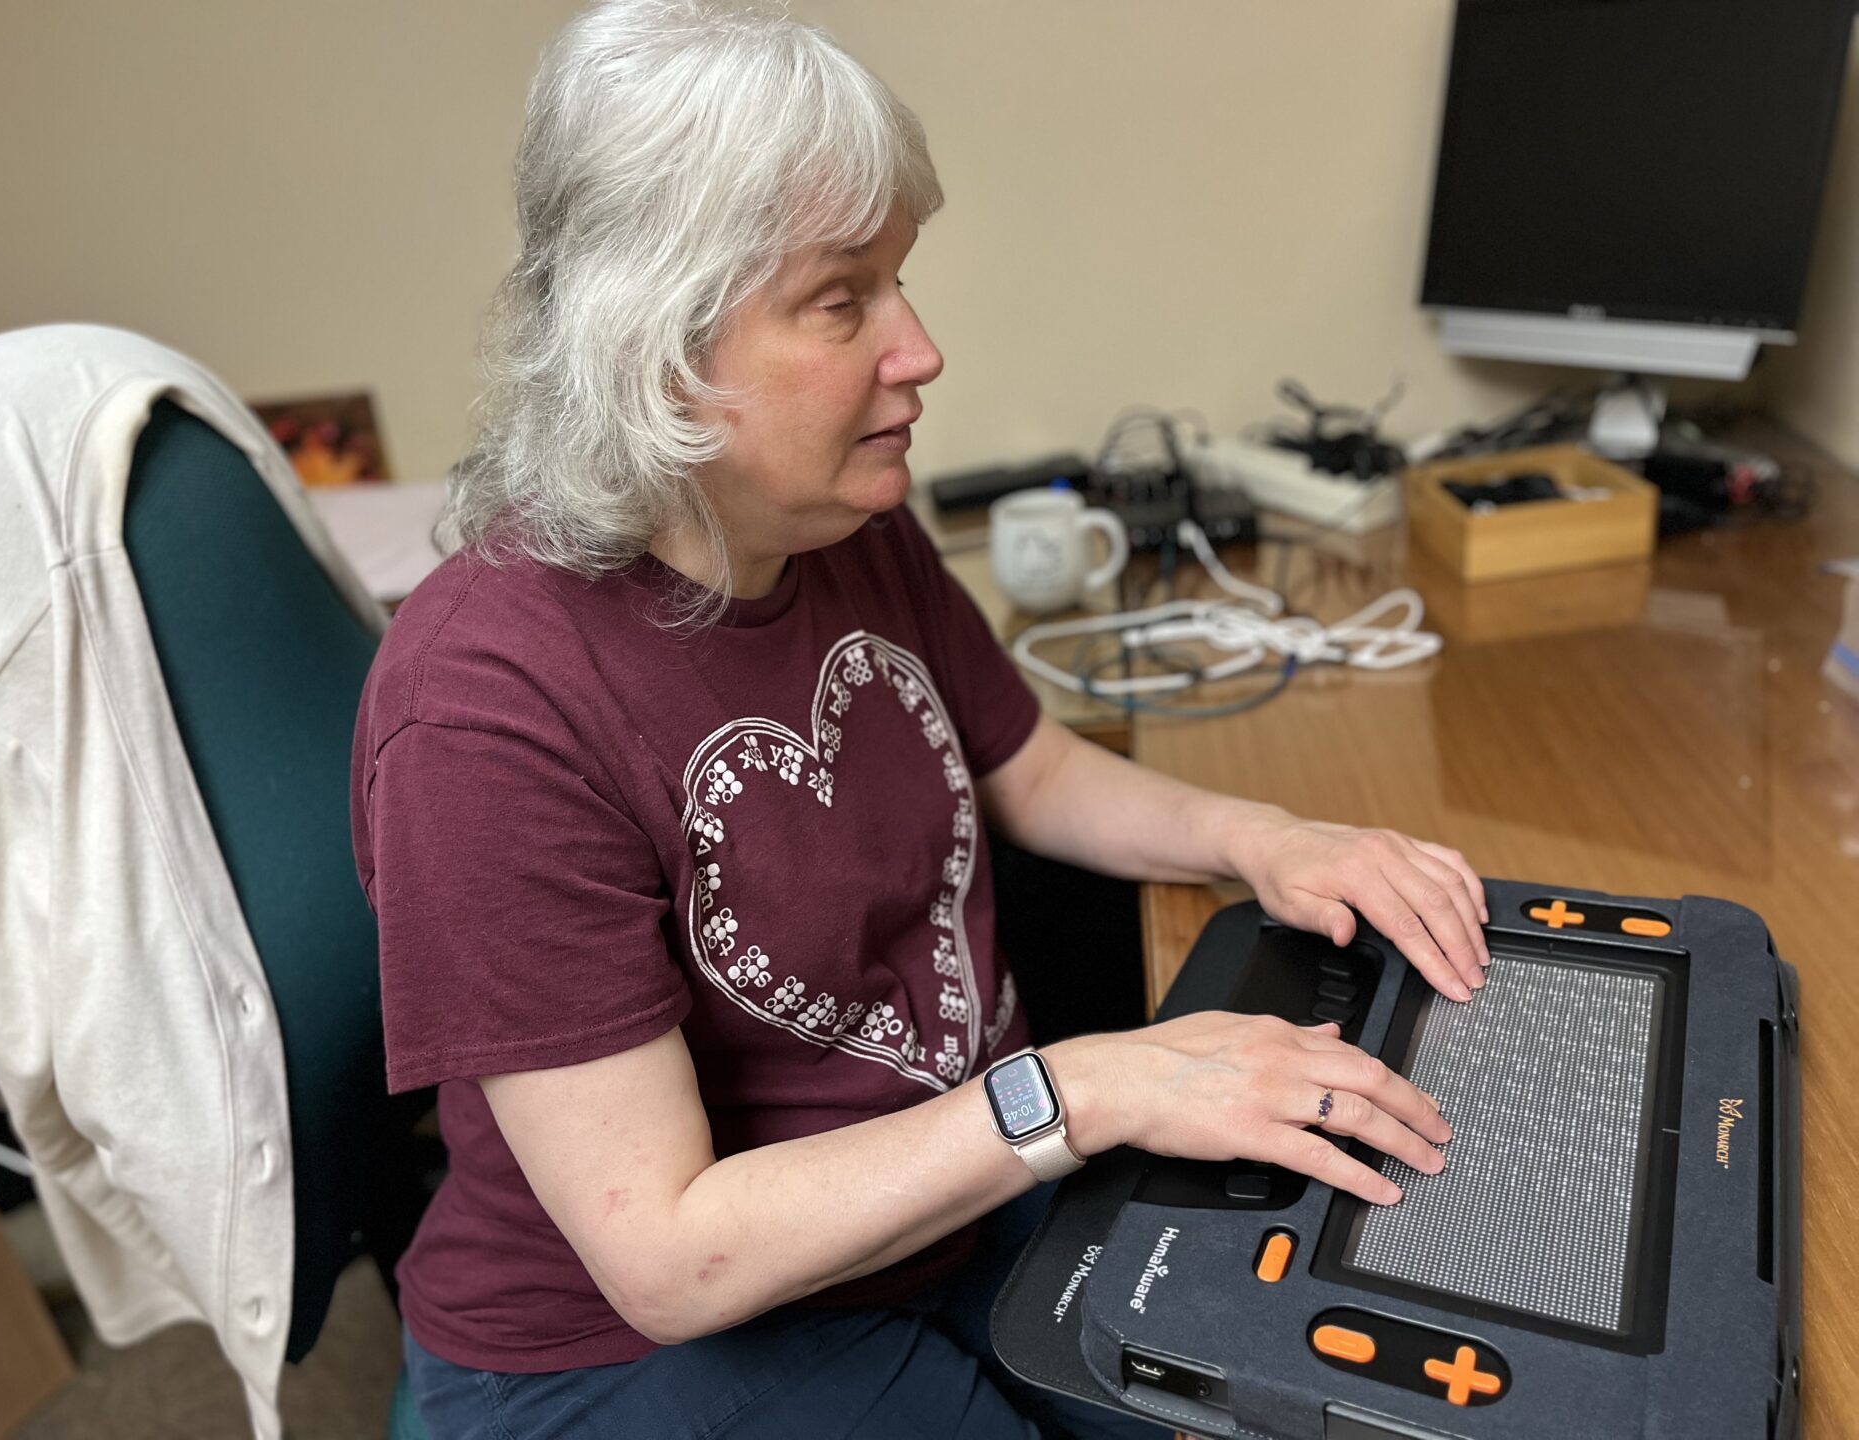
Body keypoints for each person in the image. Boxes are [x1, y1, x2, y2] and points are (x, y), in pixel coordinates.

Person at [350, 2, 1486, 1434]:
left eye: (900, 282)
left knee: (1307, 1375)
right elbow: (670, 1257)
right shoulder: (482, 710)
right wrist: (1073, 1090)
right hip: (632, 1343)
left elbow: (1029, 765)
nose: (921, 349)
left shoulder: (829, 515)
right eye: (843, 301)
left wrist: (1260, 836)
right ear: (656, 354)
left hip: (943, 1197)